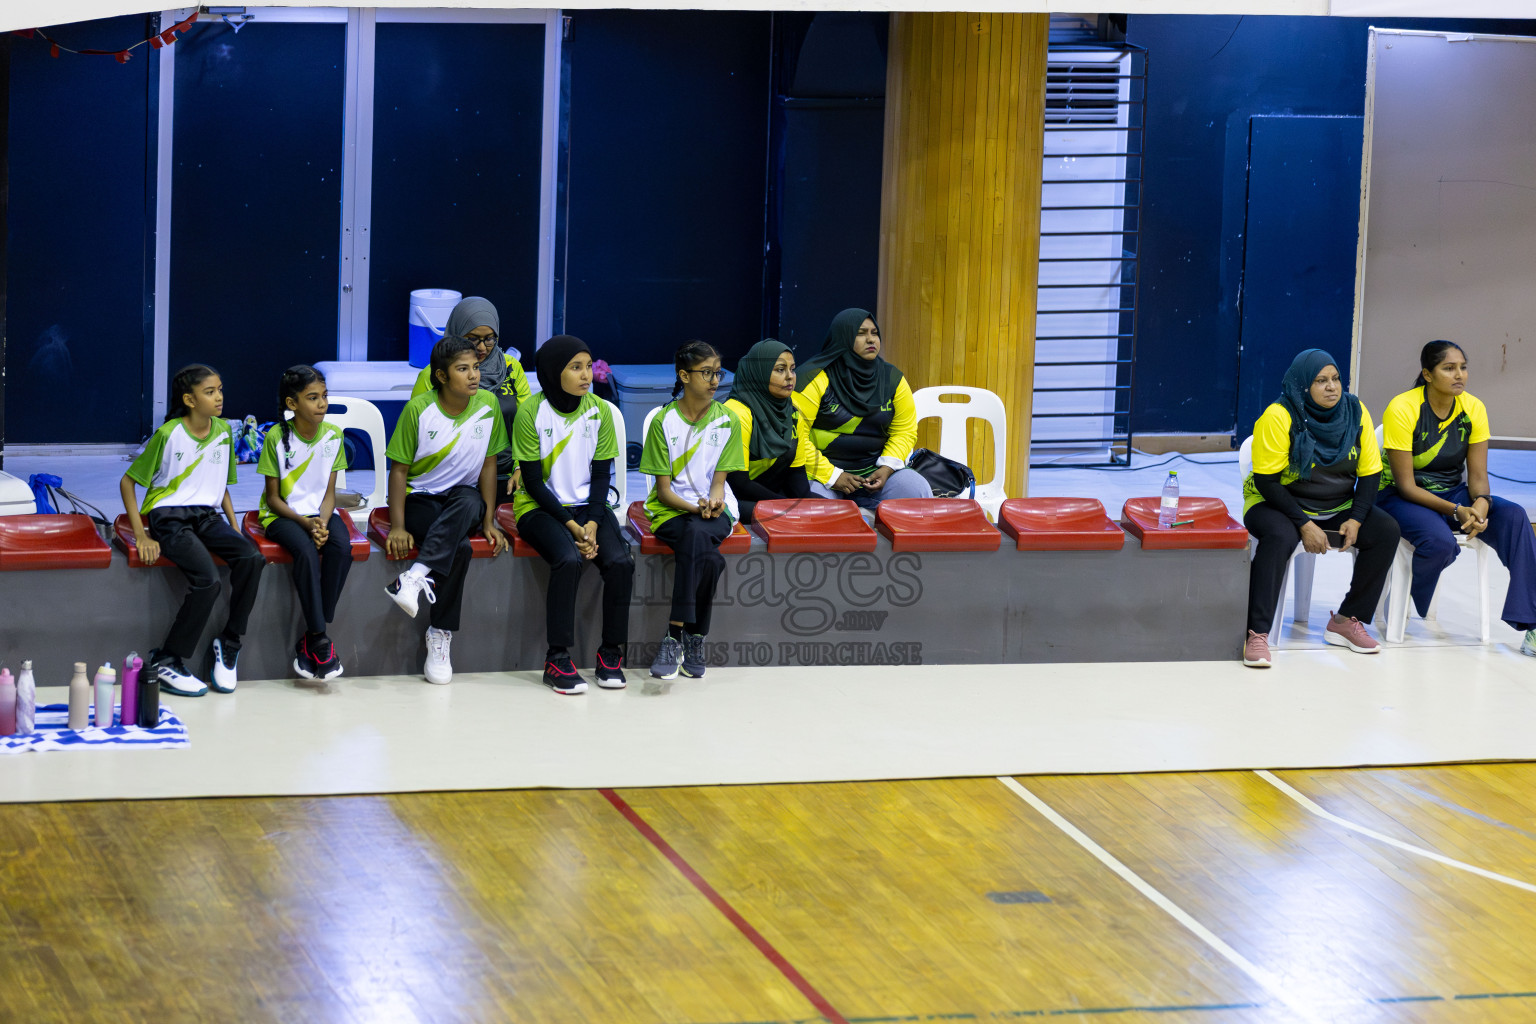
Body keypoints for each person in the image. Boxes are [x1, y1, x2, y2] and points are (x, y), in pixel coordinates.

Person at [1241, 348, 1400, 667]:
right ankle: (1257, 633)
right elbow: (1267, 482)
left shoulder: (1356, 412)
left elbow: (1370, 472)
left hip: (1336, 503)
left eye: (1336, 379)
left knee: (1385, 531)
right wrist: (1304, 524)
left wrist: (1356, 518)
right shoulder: (1279, 416)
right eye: (1320, 380)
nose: (1332, 387)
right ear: (1303, 386)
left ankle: (1346, 620)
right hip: (1276, 502)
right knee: (1279, 538)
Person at [1376, 341, 1536, 655]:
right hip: (1398, 496)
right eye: (1448, 368)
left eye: (1462, 367)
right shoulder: (1403, 407)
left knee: (1515, 516)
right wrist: (1459, 510)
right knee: (1439, 544)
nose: (1459, 374)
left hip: (1452, 492)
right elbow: (1407, 486)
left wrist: (1482, 503)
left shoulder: (1473, 407)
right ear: (1427, 374)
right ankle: (1409, 592)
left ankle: (1532, 626)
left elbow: (1477, 475)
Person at [119, 364, 264, 696]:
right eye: (209, 392)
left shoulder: (225, 432)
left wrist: (234, 527)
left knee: (252, 557)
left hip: (207, 516)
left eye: (220, 390)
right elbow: (128, 482)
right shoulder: (169, 433)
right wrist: (142, 534)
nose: (219, 397)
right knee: (208, 582)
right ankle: (167, 659)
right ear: (189, 399)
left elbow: (222, 487)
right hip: (168, 516)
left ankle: (229, 643)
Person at [511, 335, 635, 694]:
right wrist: (572, 528)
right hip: (540, 507)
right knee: (567, 559)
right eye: (575, 367)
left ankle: (611, 654)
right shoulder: (531, 412)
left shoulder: (600, 410)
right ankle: (557, 659)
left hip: (588, 507)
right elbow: (532, 483)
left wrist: (593, 522)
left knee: (621, 563)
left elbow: (601, 475)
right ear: (553, 372)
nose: (586, 375)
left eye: (587, 366)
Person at [384, 335, 510, 685]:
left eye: (475, 368)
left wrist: (489, 520)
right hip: (420, 498)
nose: (473, 375)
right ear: (441, 376)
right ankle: (439, 633)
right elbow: (399, 470)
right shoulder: (418, 410)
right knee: (462, 548)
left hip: (463, 499)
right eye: (462, 369)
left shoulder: (488, 405)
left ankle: (414, 577)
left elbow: (488, 465)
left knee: (472, 500)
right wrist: (397, 526)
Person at [640, 340, 745, 680]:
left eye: (718, 372)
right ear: (684, 376)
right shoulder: (663, 422)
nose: (715, 380)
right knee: (709, 557)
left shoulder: (728, 420)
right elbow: (664, 492)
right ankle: (694, 635)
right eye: (706, 373)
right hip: (671, 511)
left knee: (698, 533)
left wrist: (714, 503)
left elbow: (719, 483)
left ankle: (673, 636)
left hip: (716, 511)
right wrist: (695, 508)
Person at [257, 365, 352, 680]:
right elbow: (272, 498)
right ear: (292, 404)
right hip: (283, 515)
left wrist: (322, 523)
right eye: (312, 398)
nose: (322, 404)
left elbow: (329, 493)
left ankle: (314, 631)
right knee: (306, 552)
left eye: (324, 396)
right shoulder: (276, 437)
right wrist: (305, 523)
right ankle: (320, 637)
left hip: (320, 512)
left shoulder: (334, 436)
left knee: (341, 548)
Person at [794, 307, 932, 508]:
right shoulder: (812, 378)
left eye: (874, 333)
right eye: (861, 333)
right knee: (816, 506)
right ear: (843, 337)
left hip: (874, 474)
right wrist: (833, 475)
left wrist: (887, 467)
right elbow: (795, 437)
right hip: (822, 476)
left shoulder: (893, 379)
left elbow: (904, 431)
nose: (871, 340)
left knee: (916, 489)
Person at [410, 296, 532, 496]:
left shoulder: (511, 367)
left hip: (505, 473)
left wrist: (520, 468)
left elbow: (527, 424)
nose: (482, 347)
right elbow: (417, 433)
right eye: (473, 339)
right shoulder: (433, 374)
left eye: (490, 338)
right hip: (451, 475)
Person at [723, 338, 841, 524]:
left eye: (792, 369)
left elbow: (797, 482)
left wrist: (831, 510)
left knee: (839, 513)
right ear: (759, 373)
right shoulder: (736, 414)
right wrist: (789, 507)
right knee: (794, 516)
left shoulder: (792, 413)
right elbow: (739, 484)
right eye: (780, 369)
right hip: (731, 499)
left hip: (773, 498)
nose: (790, 376)